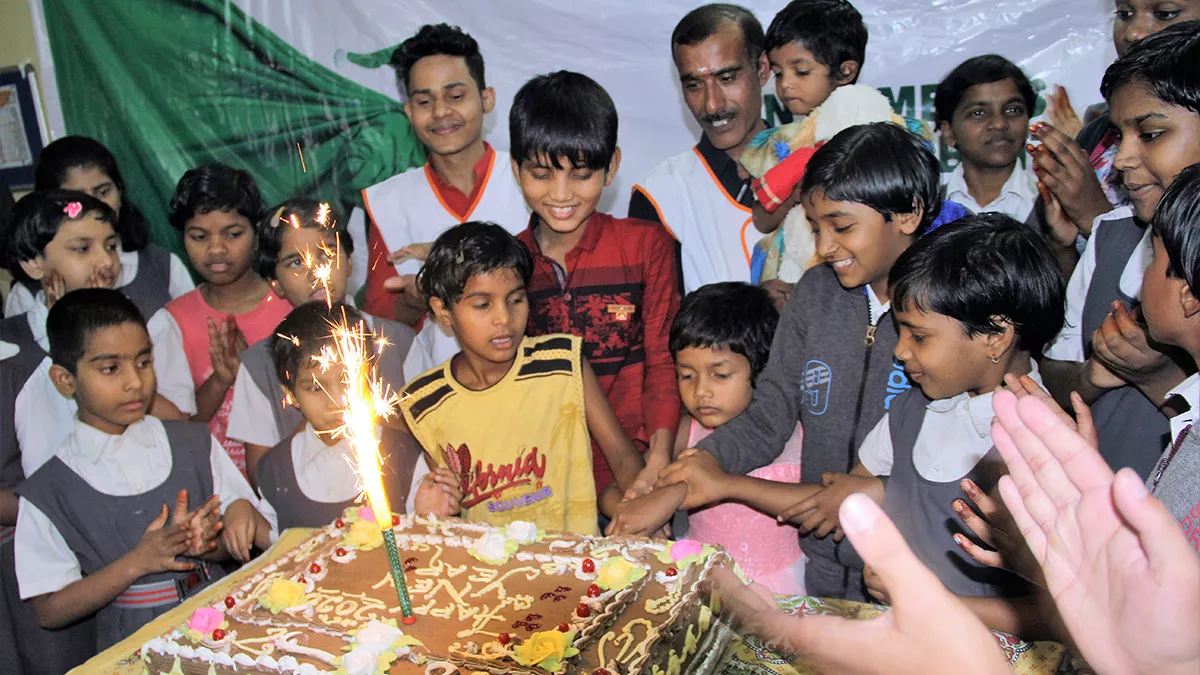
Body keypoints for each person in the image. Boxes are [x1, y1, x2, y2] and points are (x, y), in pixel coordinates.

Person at [659, 123, 944, 601]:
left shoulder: (948, 311)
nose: (825, 247)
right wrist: (700, 462)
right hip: (821, 567)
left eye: (843, 226)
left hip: (914, 568)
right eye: (816, 228)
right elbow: (772, 408)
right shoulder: (816, 294)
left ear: (908, 214)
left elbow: (961, 448)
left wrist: (885, 492)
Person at [791, 215, 1065, 635]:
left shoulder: (1043, 446)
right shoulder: (912, 410)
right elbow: (865, 496)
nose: (900, 351)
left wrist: (928, 601)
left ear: (995, 336)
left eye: (919, 337)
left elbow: (1060, 612)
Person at [13, 289, 264, 652]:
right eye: (110, 368)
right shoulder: (50, 489)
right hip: (133, 647)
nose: (135, 382)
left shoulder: (193, 442)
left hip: (223, 627)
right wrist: (137, 563)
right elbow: (49, 609)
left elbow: (232, 547)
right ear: (65, 380)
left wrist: (205, 546)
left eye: (143, 362)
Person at [397, 222, 645, 534]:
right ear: (443, 311)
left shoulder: (563, 364)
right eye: (483, 305)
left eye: (515, 299)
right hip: (493, 574)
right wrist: (438, 516)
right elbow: (450, 508)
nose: (504, 318)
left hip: (579, 563)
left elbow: (622, 457)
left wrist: (644, 508)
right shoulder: (425, 402)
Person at [509, 71, 682, 500]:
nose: (562, 194)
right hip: (544, 479)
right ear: (516, 169)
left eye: (581, 174)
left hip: (642, 468)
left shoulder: (646, 246)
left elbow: (664, 365)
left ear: (612, 167)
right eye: (542, 174)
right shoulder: (507, 263)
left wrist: (655, 468)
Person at [1040, 21, 1200, 479]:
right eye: (1118, 136)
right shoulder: (1110, 233)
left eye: (1149, 134)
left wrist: (1160, 379)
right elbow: (1054, 368)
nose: (1123, 159)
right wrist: (1094, 374)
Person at [612, 283, 806, 593]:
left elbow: (818, 504)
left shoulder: (798, 431)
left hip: (783, 588)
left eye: (720, 374)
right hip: (703, 585)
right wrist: (644, 512)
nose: (701, 390)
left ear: (763, 368)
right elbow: (613, 492)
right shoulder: (685, 433)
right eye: (687, 375)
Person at [0, 192, 123, 674]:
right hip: (43, 567)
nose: (104, 263)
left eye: (110, 246)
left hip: (112, 547)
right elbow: (53, 481)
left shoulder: (122, 328)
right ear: (34, 264)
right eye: (82, 248)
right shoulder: (17, 358)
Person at [225, 199, 430, 484]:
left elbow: (431, 442)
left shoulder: (399, 343)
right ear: (275, 283)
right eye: (295, 262)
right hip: (311, 518)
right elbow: (263, 476)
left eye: (326, 254)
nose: (315, 273)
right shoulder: (260, 365)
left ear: (348, 262)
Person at [361, 23, 528, 362]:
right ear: (409, 112)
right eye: (425, 101)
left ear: (486, 98)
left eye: (455, 96)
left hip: (536, 384)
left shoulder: (531, 179)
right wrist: (416, 297)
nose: (440, 112)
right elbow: (380, 325)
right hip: (440, 393)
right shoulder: (387, 202)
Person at [250, 301, 461, 542]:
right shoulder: (276, 470)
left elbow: (424, 540)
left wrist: (431, 515)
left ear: (369, 376)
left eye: (348, 381)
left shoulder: (404, 454)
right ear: (290, 394)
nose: (337, 401)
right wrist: (244, 516)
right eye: (316, 388)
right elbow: (274, 547)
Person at [148, 164, 293, 475]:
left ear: (257, 232)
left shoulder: (293, 304)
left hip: (297, 481)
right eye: (199, 236)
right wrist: (220, 381)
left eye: (233, 234)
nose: (216, 249)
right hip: (218, 493)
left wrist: (258, 372)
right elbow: (181, 430)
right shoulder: (171, 324)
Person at [630, 3, 771, 291]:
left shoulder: (816, 168)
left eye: (727, 78)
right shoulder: (659, 196)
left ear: (763, 69)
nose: (712, 105)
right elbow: (660, 326)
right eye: (694, 85)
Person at [4, 136, 194, 319]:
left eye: (103, 191)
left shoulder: (163, 266)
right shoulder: (27, 295)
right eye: (75, 197)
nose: (94, 205)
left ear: (120, 191)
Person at [748, 0, 869, 240]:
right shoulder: (780, 144)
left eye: (801, 72)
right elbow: (761, 221)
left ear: (846, 71)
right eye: (778, 73)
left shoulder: (876, 136)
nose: (785, 84)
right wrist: (792, 195)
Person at [933, 57, 1064, 269]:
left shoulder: (1055, 206)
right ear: (948, 132)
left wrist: (1062, 247)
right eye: (978, 113)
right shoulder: (927, 210)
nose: (999, 123)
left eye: (1013, 110)